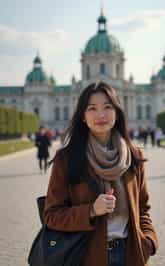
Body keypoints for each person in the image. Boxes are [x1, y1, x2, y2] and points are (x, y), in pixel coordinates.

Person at [44, 82, 158, 266]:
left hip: (131, 255)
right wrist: (91, 210)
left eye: (107, 107)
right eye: (92, 108)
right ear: (83, 115)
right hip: (87, 256)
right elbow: (52, 216)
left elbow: (143, 208)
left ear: (117, 112)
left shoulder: (134, 156)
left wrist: (149, 241)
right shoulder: (66, 159)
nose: (101, 114)